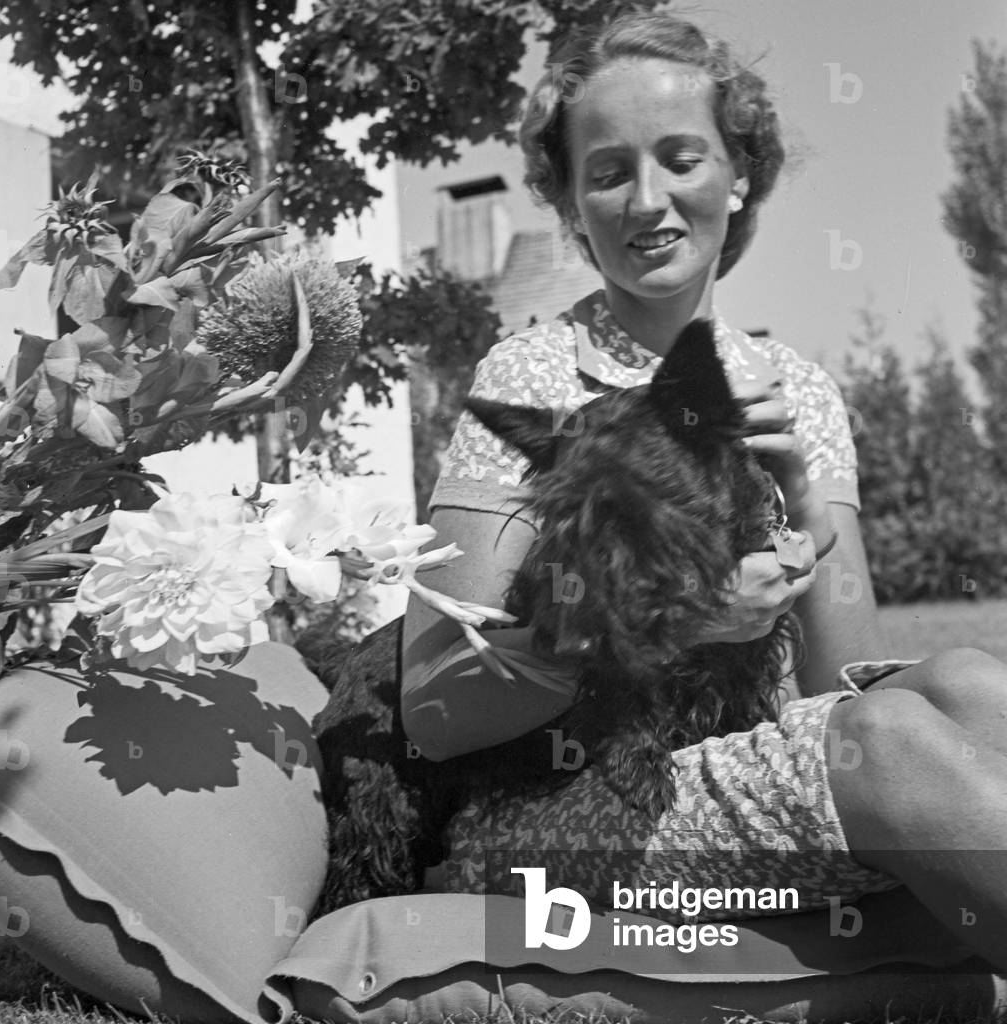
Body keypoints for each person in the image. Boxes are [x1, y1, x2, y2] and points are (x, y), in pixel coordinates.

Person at [400, 10, 1007, 967]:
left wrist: (803, 498)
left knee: (973, 681)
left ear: (741, 172)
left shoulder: (796, 389)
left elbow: (831, 691)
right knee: (889, 738)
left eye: (682, 157)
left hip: (750, 779)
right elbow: (434, 710)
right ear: (570, 201)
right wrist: (673, 622)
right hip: (567, 811)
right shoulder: (528, 381)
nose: (648, 200)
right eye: (608, 171)